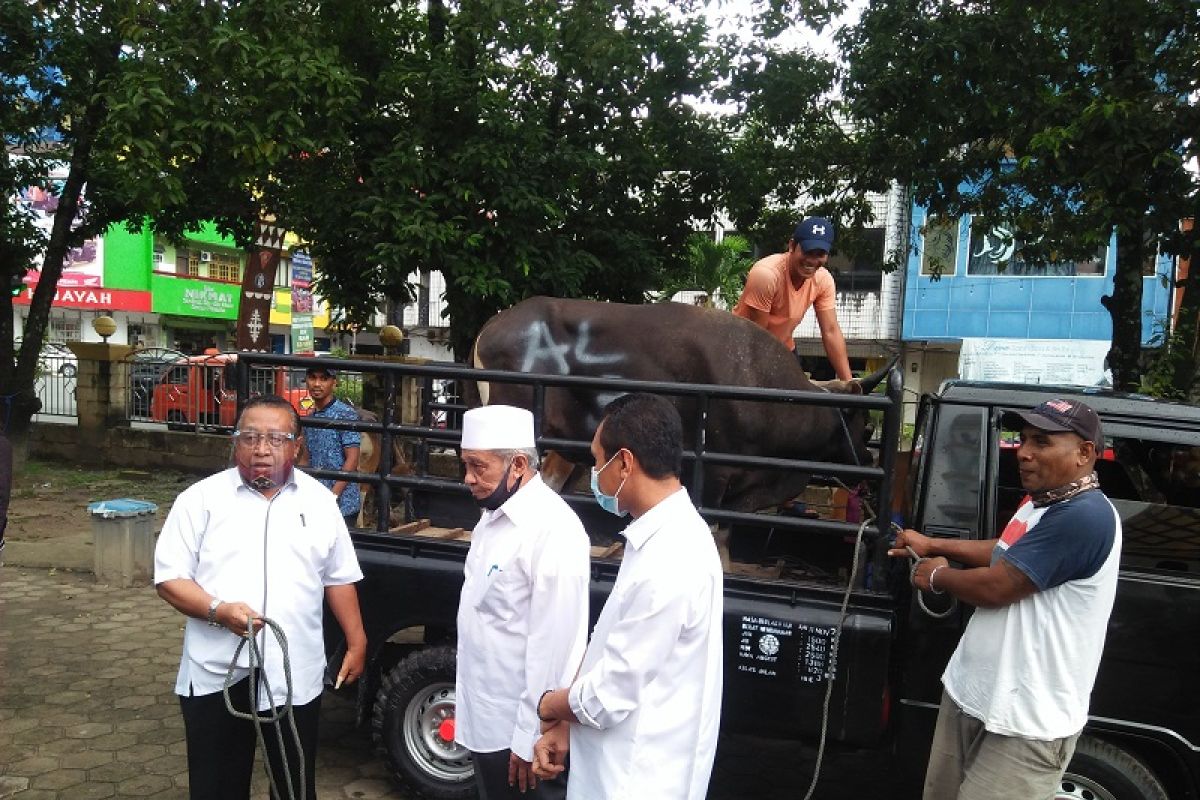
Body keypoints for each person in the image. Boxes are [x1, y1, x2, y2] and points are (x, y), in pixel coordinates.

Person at [890, 398, 1122, 800]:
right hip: (972, 696)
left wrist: (938, 575)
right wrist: (931, 543)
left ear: (1085, 453)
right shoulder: (1044, 503)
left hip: (1025, 725)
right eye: (1024, 439)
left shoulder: (1085, 516)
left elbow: (999, 586)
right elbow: (1005, 548)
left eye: (1042, 442)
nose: (1024, 452)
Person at [154, 395, 367, 800]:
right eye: (250, 437)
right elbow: (169, 578)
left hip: (293, 669)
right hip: (217, 668)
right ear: (235, 443)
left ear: (296, 445)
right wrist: (218, 610)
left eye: (275, 438)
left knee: (293, 784)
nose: (261, 449)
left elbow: (338, 577)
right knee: (216, 784)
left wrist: (356, 642)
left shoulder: (320, 502)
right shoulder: (200, 500)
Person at [532, 393, 723, 800]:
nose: (596, 473)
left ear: (624, 462)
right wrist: (568, 725)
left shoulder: (672, 556)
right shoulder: (659, 537)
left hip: (637, 780)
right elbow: (612, 643)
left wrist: (550, 706)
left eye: (598, 460)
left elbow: (608, 694)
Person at [455, 405, 591, 800]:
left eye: (478, 467)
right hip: (484, 714)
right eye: (466, 464)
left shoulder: (553, 529)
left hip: (521, 731)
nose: (468, 479)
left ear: (517, 464)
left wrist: (530, 733)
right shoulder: (491, 515)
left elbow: (557, 645)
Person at [732, 216, 853, 381]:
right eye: (808, 252)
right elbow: (758, 337)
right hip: (743, 347)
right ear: (792, 246)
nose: (812, 260)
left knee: (797, 401)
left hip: (783, 347)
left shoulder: (823, 280)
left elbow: (831, 331)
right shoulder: (766, 275)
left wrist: (850, 386)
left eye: (820, 254)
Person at [300, 365, 362, 527]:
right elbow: (306, 458)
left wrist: (333, 495)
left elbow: (352, 459)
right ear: (306, 381)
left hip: (342, 504)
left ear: (334, 383)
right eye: (313, 378)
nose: (317, 384)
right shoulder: (310, 418)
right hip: (315, 501)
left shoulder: (345, 414)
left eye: (324, 379)